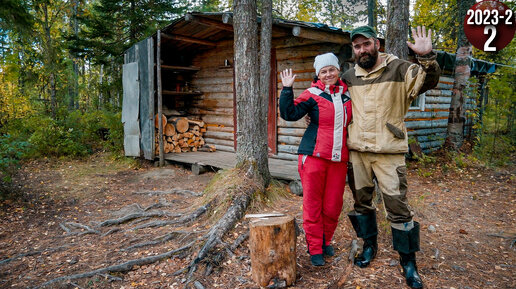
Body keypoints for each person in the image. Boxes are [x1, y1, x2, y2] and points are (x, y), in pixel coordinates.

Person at [342, 25, 440, 288]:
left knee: (398, 209)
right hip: (358, 154)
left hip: (389, 153)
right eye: (357, 46)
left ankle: (408, 263)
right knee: (362, 204)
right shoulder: (349, 76)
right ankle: (369, 247)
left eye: (366, 44)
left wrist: (427, 57)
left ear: (376, 44)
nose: (362, 50)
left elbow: (427, 81)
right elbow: (334, 103)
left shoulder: (399, 69)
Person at [279, 53, 352, 266]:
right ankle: (314, 249)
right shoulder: (312, 93)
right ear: (318, 74)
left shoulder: (348, 96)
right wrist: (286, 89)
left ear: (338, 70)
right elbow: (289, 113)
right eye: (323, 71)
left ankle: (325, 240)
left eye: (331, 69)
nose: (328, 74)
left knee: (333, 205)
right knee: (312, 205)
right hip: (313, 156)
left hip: (338, 159)